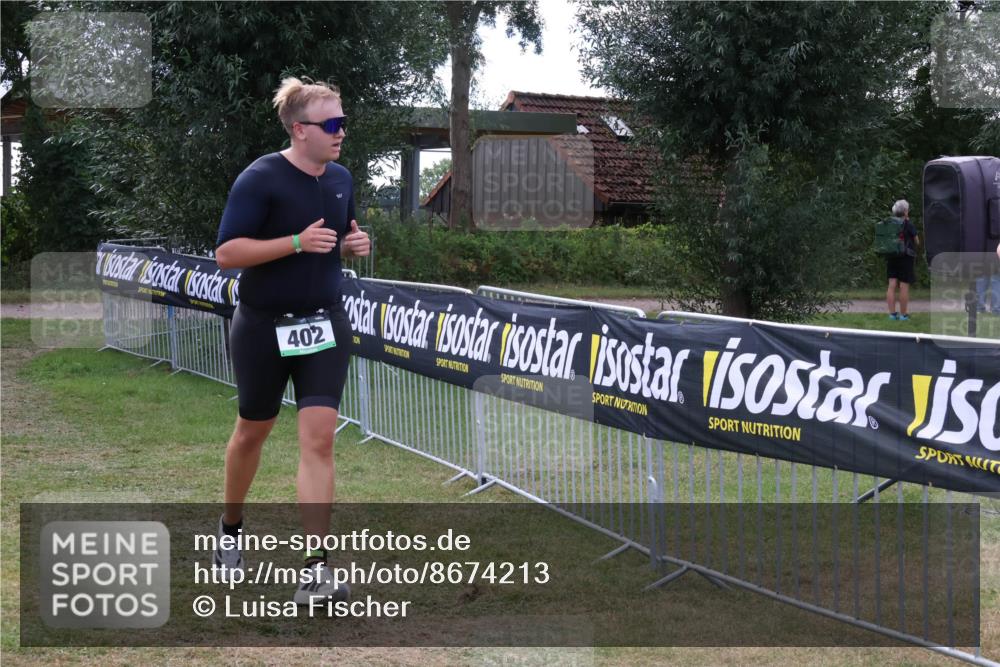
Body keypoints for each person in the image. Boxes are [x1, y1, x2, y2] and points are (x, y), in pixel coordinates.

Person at [211, 77, 370, 605]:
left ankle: (315, 570)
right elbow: (227, 254)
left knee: (319, 439)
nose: (341, 131)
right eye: (332, 124)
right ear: (300, 130)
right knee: (251, 433)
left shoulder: (342, 177)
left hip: (324, 323)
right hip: (262, 326)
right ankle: (230, 527)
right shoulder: (261, 178)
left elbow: (340, 238)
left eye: (343, 121)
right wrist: (296, 243)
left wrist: (353, 244)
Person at [884, 199, 919, 321]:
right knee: (903, 286)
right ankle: (903, 315)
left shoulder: (889, 223)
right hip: (905, 258)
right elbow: (917, 241)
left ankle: (892, 315)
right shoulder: (908, 224)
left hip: (892, 257)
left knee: (892, 285)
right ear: (905, 211)